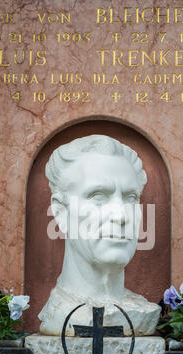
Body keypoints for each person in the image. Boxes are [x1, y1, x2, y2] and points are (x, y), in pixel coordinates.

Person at [39, 135, 160, 336]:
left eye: (131, 198)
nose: (121, 216)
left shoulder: (143, 313)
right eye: (98, 196)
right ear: (61, 212)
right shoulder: (59, 314)